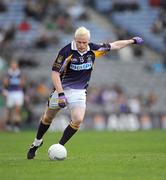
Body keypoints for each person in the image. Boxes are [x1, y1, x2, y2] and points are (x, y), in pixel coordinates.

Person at [27, 26, 143, 159]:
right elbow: (54, 74)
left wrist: (131, 41)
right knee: (48, 118)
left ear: (88, 41)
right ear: (75, 39)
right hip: (62, 89)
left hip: (79, 92)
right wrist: (60, 94)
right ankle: (36, 143)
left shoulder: (93, 49)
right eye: (79, 42)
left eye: (84, 42)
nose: (82, 45)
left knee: (78, 120)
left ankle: (58, 147)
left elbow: (114, 45)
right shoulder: (66, 51)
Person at [3, 60, 25, 132]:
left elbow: (22, 83)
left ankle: (16, 126)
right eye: (12, 64)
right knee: (9, 109)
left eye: (15, 64)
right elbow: (5, 83)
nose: (13, 66)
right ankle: (8, 124)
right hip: (10, 92)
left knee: (17, 109)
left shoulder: (20, 73)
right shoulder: (8, 73)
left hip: (18, 92)